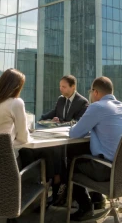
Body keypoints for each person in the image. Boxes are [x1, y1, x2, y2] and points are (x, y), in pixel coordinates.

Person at [67, 76, 122, 221]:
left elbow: (75, 133)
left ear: (95, 92)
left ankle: (85, 207)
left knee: (71, 162)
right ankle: (97, 200)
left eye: (91, 92)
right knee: (86, 153)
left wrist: (74, 124)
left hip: (107, 170)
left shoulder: (97, 107)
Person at [39, 75, 90, 206]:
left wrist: (61, 122)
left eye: (63, 86)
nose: (60, 89)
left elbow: (78, 123)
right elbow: (53, 113)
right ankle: (56, 191)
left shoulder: (82, 102)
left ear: (73, 87)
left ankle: (60, 192)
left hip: (72, 142)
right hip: (59, 139)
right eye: (60, 86)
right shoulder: (61, 100)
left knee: (57, 154)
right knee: (50, 152)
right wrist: (42, 119)